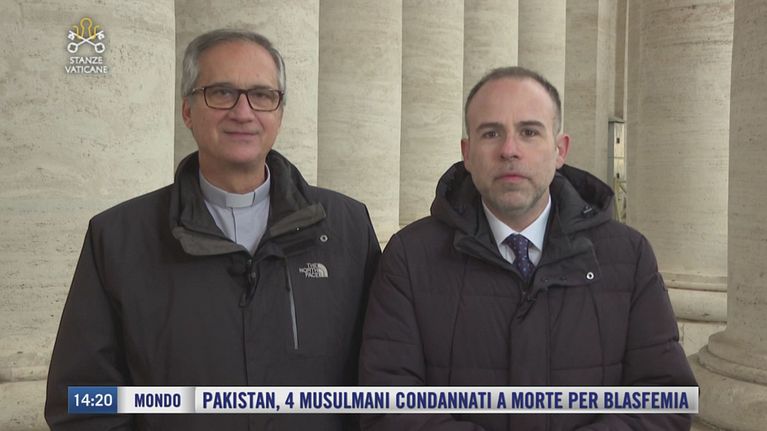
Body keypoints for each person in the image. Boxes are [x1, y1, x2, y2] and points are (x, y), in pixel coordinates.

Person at [46, 29, 380, 430]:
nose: (243, 112)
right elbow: (83, 400)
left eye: (262, 95)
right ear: (187, 111)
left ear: (279, 113)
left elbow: (380, 379)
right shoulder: (118, 238)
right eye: (221, 93)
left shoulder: (347, 227)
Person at [359, 66, 696, 430]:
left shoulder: (628, 256)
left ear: (560, 150)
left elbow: (665, 399)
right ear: (467, 153)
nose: (509, 150)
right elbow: (388, 403)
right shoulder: (410, 257)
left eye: (529, 132)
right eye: (491, 133)